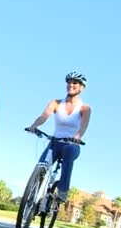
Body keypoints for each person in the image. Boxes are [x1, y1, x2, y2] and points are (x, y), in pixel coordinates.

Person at [27, 71, 92, 202]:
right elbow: (44, 116)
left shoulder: (85, 108)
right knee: (42, 165)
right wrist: (34, 126)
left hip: (71, 144)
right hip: (55, 142)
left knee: (68, 152)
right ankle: (32, 198)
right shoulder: (56, 103)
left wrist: (77, 136)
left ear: (81, 87)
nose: (71, 85)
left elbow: (83, 126)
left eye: (75, 83)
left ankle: (63, 190)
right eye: (69, 83)